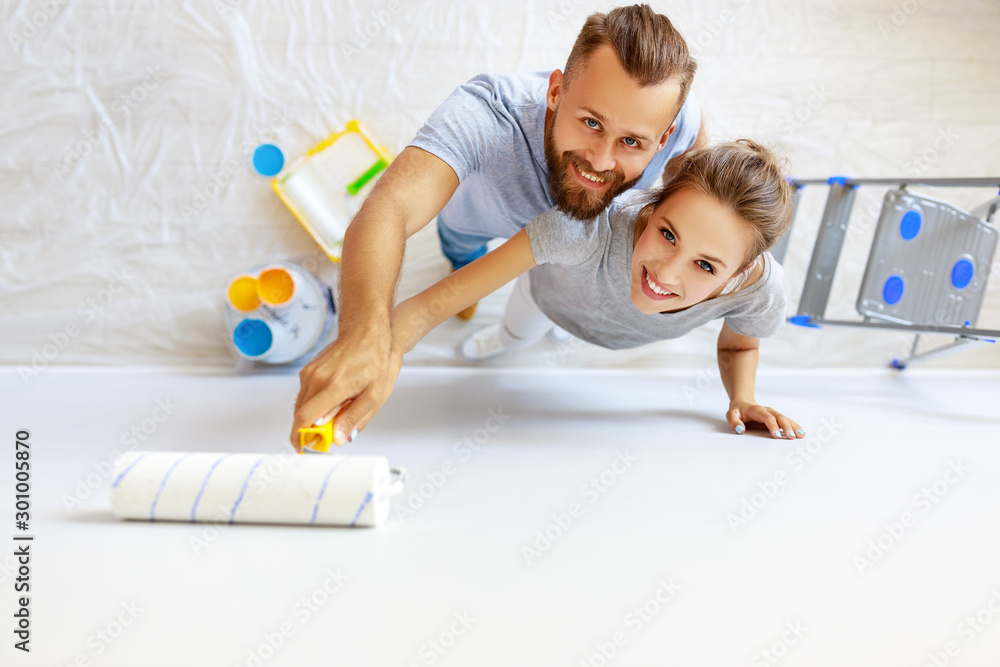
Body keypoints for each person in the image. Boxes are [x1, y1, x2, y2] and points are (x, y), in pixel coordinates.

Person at [291, 4, 706, 446]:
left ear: (663, 136)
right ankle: (462, 271)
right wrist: (364, 334)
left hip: (569, 249)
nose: (601, 161)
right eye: (590, 122)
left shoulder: (678, 122)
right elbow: (390, 206)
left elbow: (691, 162)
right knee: (462, 252)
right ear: (555, 92)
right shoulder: (488, 112)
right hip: (478, 221)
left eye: (630, 142)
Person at [382, 141, 805, 440]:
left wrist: (743, 398)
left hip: (609, 325)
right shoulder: (582, 228)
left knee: (566, 324)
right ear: (653, 204)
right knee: (517, 331)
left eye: (705, 265)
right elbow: (433, 303)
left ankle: (560, 331)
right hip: (547, 297)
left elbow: (738, 348)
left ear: (741, 271)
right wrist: (374, 350)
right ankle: (511, 338)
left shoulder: (760, 290)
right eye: (667, 235)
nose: (667, 275)